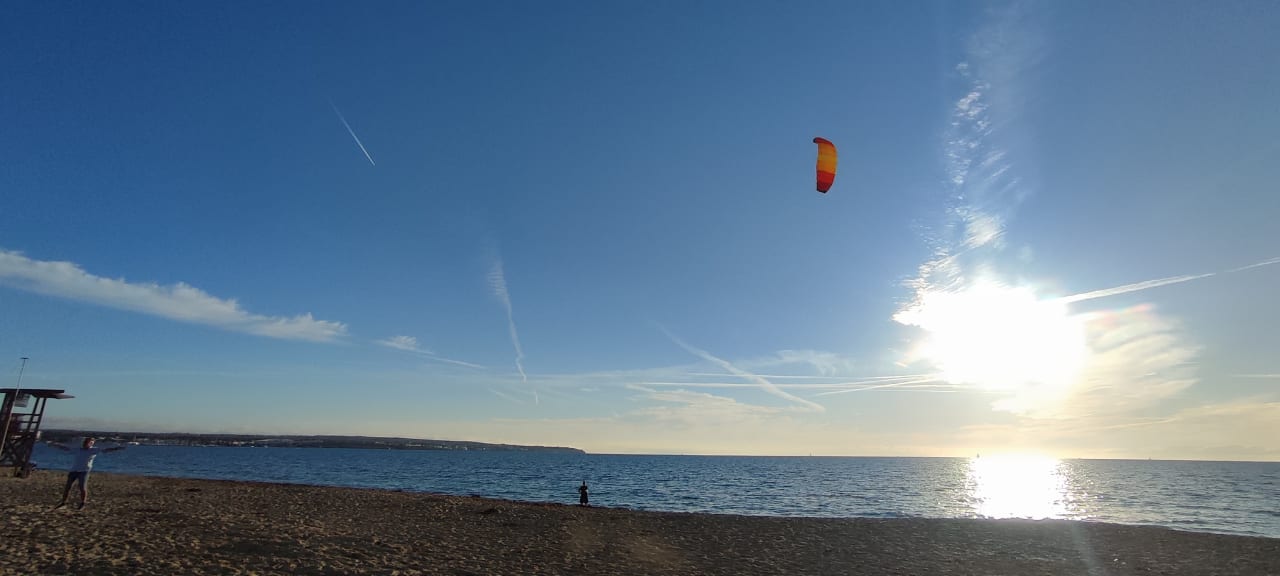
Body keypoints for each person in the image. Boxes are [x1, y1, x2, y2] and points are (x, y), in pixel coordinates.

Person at [49, 437, 125, 509]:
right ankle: (63, 502)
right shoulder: (78, 449)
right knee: (68, 487)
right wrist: (55, 445)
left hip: (84, 471)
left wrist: (117, 448)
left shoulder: (94, 450)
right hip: (74, 470)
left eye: (89, 442)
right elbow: (65, 448)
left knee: (82, 487)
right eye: (86, 442)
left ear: (92, 444)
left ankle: (82, 503)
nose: (86, 443)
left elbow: (107, 450)